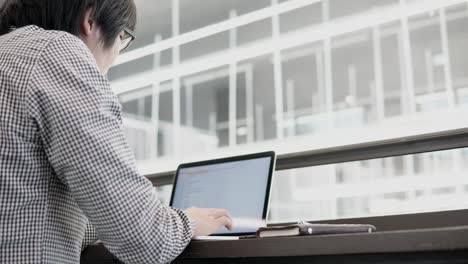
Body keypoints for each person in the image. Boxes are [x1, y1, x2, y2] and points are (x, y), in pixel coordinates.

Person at [0, 0, 233, 263]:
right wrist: (187, 221)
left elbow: (24, 208)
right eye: (123, 38)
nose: (115, 57)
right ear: (90, 21)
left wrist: (105, 220)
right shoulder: (56, 52)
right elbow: (142, 238)